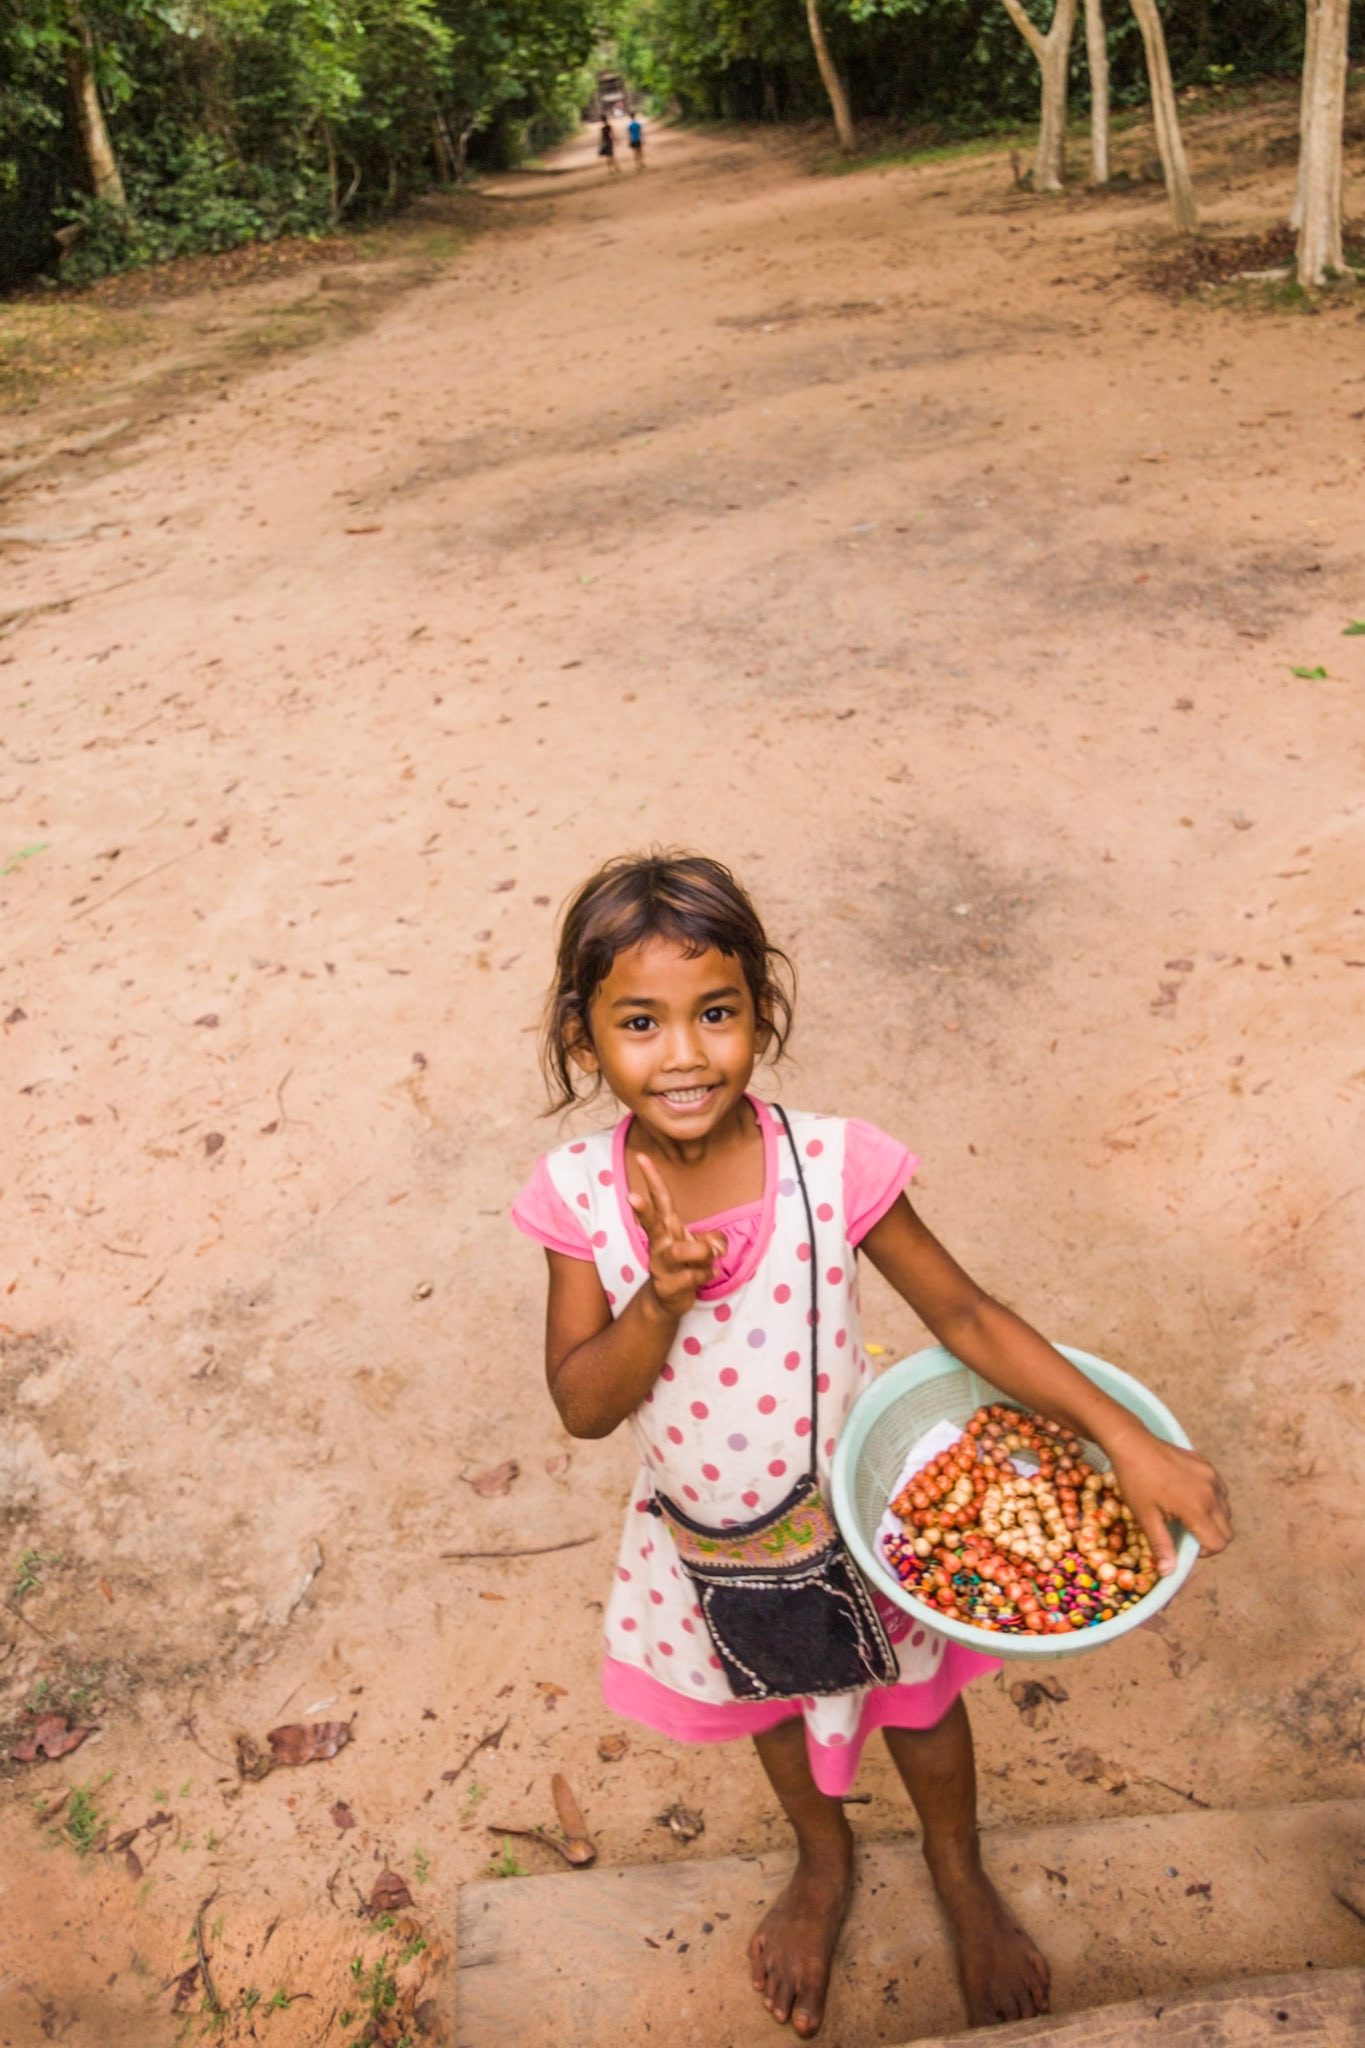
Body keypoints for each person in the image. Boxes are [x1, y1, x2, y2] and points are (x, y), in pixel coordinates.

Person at [512, 852, 1232, 2041]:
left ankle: (959, 1871)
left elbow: (968, 1316)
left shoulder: (834, 1164)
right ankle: (822, 1860)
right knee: (775, 1706)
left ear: (761, 1013)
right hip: (713, 1544)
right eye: (640, 1021)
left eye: (717, 1012)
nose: (683, 1051)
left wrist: (1124, 1435)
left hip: (858, 1530)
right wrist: (660, 1296)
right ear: (586, 1039)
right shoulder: (578, 1196)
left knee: (921, 1709)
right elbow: (582, 1403)